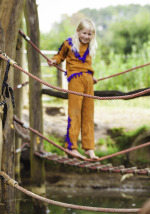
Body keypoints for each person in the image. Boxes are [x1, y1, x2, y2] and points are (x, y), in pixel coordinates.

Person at [48, 18, 99, 160]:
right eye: (84, 33)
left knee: (88, 114)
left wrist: (91, 76)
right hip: (75, 80)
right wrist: (54, 61)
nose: (86, 37)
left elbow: (86, 64)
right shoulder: (69, 43)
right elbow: (60, 56)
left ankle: (89, 148)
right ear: (78, 31)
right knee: (75, 113)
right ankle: (71, 147)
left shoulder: (90, 46)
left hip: (88, 80)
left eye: (89, 34)